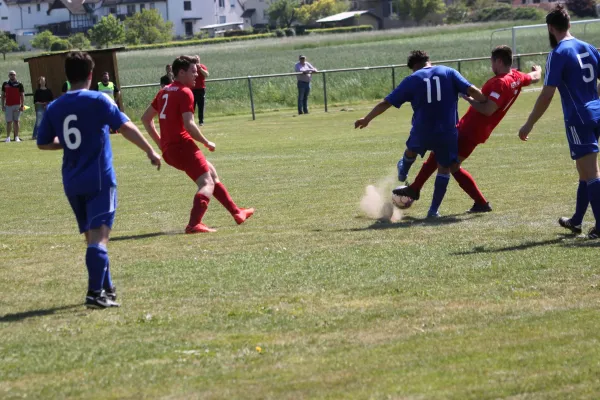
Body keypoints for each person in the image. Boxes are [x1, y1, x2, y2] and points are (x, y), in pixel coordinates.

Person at [37, 51, 162, 309]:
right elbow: (125, 127)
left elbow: (44, 142)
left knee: (91, 239)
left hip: (72, 181)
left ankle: (106, 288)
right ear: (91, 75)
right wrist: (150, 150)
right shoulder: (99, 100)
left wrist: (73, 144)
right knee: (100, 239)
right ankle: (95, 294)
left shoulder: (54, 106)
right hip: (99, 179)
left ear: (67, 76)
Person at [399, 46, 541, 213]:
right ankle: (415, 188)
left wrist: (468, 98)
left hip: (471, 129)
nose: (492, 66)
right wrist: (538, 70)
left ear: (499, 61)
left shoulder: (500, 82)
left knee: (451, 165)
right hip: (476, 129)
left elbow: (488, 109)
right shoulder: (516, 76)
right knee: (440, 156)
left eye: (492, 62)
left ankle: (479, 202)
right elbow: (534, 77)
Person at [354, 50, 487, 218]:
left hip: (422, 129)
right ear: (428, 61)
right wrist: (485, 101)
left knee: (411, 150)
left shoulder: (412, 79)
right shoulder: (448, 72)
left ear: (414, 67)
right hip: (446, 131)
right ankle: (433, 211)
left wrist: (367, 119)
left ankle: (404, 170)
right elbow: (472, 90)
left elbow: (386, 102)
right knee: (444, 170)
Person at [141, 55, 254, 234]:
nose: (197, 75)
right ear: (181, 72)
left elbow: (146, 119)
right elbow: (189, 124)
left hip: (171, 150)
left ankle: (236, 212)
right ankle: (194, 224)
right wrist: (206, 141)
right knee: (206, 182)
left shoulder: (164, 91)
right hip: (182, 146)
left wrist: (161, 143)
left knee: (211, 173)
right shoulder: (185, 92)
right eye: (193, 72)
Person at [519, 4, 600, 239]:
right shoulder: (588, 48)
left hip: (578, 118)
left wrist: (529, 123)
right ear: (570, 24)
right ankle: (576, 221)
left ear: (551, 28)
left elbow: (546, 94)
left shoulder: (558, 53)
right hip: (596, 113)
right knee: (584, 171)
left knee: (592, 171)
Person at [2, 70, 25, 143]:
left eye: (14, 74)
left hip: (17, 105)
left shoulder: (19, 84)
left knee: (16, 121)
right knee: (9, 122)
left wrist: (22, 105)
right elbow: (2, 95)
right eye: (11, 74)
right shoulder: (5, 84)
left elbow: (22, 95)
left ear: (15, 75)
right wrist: (2, 105)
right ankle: (8, 137)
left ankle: (16, 137)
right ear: (9, 76)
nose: (12, 76)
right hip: (8, 105)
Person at [32, 76, 54, 140]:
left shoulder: (49, 91)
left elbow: (51, 100)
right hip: (40, 108)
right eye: (41, 81)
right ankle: (34, 135)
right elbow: (35, 101)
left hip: (48, 107)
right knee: (38, 122)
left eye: (44, 80)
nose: (43, 82)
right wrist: (42, 103)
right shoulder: (37, 91)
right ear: (39, 82)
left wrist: (47, 104)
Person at [191, 55, 209, 125]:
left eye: (197, 59)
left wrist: (200, 68)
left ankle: (201, 121)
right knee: (191, 106)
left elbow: (206, 75)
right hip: (192, 89)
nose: (196, 61)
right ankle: (191, 121)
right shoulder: (191, 68)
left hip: (201, 89)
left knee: (201, 105)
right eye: (195, 60)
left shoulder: (202, 66)